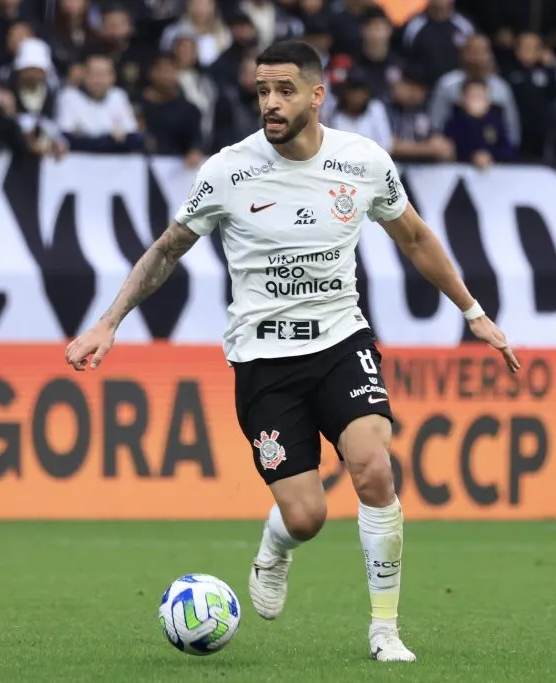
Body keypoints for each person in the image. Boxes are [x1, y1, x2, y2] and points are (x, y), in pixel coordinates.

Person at [64, 39, 519, 663]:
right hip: (264, 361)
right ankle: (275, 550)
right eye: (261, 92)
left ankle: (384, 630)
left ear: (315, 94)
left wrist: (474, 314)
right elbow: (168, 248)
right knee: (307, 516)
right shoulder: (228, 170)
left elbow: (414, 237)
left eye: (282, 91)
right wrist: (108, 321)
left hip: (341, 341)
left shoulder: (362, 162)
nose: (270, 104)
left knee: (375, 468)